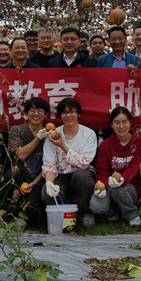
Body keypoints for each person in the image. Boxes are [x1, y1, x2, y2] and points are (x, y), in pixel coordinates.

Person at [42, 97, 98, 228]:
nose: (68, 115)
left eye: (71, 111)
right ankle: (66, 214)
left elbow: (84, 162)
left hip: (81, 173)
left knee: (82, 176)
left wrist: (62, 145)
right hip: (61, 175)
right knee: (46, 193)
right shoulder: (53, 135)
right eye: (64, 112)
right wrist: (49, 183)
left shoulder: (88, 134)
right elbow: (50, 164)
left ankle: (85, 212)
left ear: (78, 114)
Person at [90, 107, 141, 226]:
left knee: (119, 190)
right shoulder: (105, 145)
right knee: (96, 206)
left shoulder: (140, 140)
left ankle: (132, 214)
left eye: (124, 122)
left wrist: (122, 178)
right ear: (111, 125)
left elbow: (136, 165)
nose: (121, 126)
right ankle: (113, 212)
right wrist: (101, 185)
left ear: (130, 123)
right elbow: (102, 171)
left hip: (131, 185)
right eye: (117, 122)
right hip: (110, 184)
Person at [3, 98, 50, 223]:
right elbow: (21, 155)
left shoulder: (50, 134)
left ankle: (26, 214)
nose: (36, 114)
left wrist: (33, 183)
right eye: (32, 110)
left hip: (39, 179)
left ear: (46, 114)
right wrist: (38, 138)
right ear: (26, 113)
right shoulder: (16, 130)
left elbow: (50, 164)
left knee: (32, 211)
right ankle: (8, 216)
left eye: (40, 110)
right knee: (9, 176)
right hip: (19, 175)